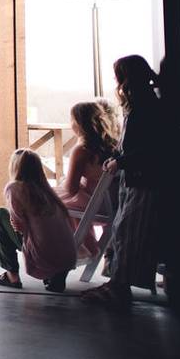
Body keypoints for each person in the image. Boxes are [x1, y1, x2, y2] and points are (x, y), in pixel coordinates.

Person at [82, 55, 163, 306]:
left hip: (144, 179)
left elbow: (152, 148)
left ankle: (120, 288)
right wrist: (116, 157)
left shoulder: (146, 105)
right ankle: (116, 283)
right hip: (133, 177)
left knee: (130, 232)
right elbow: (130, 143)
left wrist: (122, 161)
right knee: (121, 230)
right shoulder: (136, 104)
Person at [0, 149, 77, 292]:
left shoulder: (14, 188)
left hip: (42, 255)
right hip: (68, 257)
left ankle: (11, 275)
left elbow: (19, 226)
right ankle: (55, 274)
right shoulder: (48, 191)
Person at [54, 100, 120, 256]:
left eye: (72, 120)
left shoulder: (82, 150)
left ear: (79, 123)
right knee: (66, 200)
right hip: (114, 203)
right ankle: (87, 245)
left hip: (96, 205)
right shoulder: (112, 145)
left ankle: (68, 249)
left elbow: (71, 189)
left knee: (49, 203)